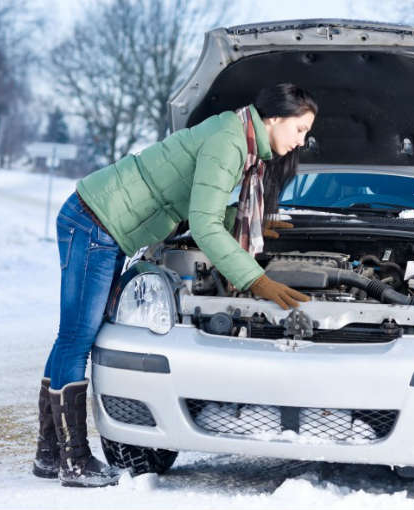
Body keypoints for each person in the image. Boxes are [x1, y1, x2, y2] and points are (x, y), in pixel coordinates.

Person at [32, 83, 318, 487]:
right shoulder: (229, 143)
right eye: (300, 129)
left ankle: (50, 455)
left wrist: (249, 218)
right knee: (77, 338)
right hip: (95, 221)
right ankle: (74, 460)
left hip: (101, 222)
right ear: (273, 118)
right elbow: (203, 224)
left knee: (71, 337)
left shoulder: (234, 133)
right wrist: (255, 279)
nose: (301, 140)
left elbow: (202, 198)